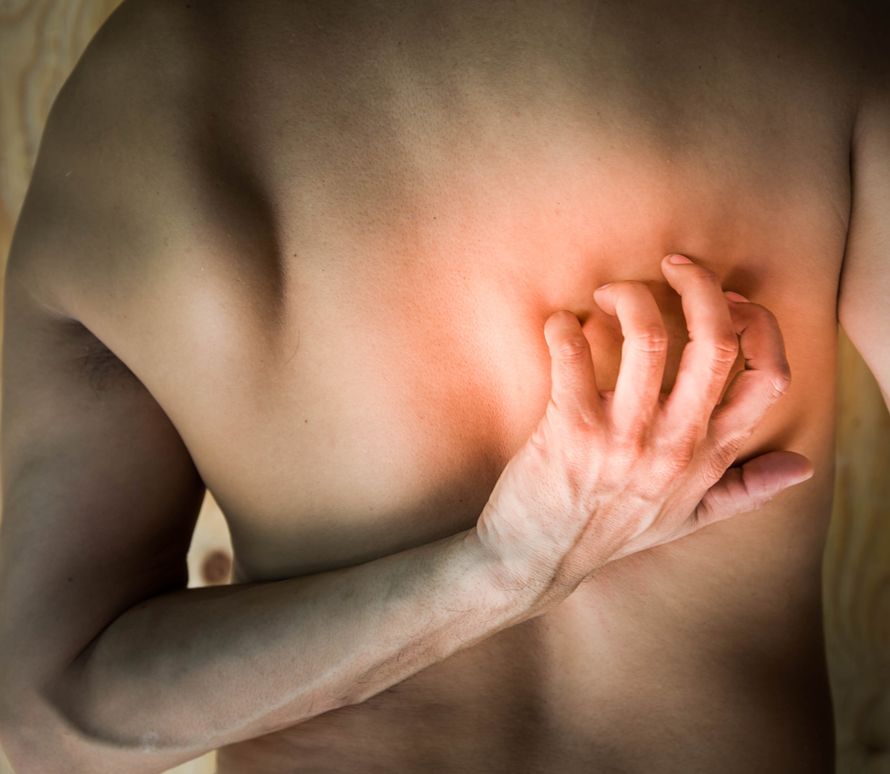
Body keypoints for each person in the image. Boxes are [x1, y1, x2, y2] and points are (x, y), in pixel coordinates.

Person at [0, 0, 887, 771]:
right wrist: (510, 568)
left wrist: (489, 577)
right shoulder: (803, 28)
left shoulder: (131, 105)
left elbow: (51, 725)